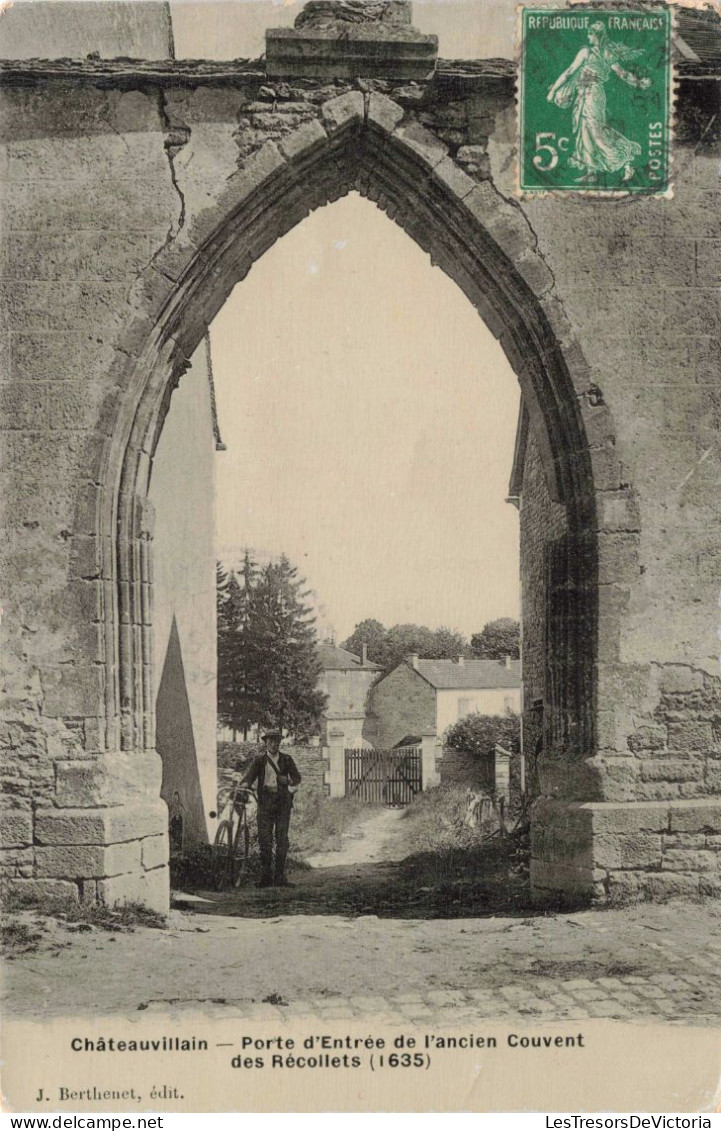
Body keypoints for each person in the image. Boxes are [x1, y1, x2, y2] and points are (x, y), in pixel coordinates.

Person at [547, 21, 651, 184]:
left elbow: (569, 72)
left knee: (595, 131)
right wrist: (638, 82)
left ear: (598, 36)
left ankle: (625, 162)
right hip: (586, 94)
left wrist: (553, 91)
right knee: (584, 131)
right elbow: (622, 74)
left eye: (590, 33)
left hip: (592, 95)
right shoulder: (606, 53)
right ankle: (592, 171)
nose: (588, 36)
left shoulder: (587, 52)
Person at [238, 729, 301, 888]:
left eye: (276, 740)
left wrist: (286, 780)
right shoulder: (259, 761)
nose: (273, 743)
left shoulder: (287, 760)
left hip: (282, 804)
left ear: (280, 742)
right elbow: (249, 777)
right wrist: (242, 786)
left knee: (281, 840)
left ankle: (279, 877)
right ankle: (266, 877)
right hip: (265, 804)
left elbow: (297, 779)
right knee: (264, 840)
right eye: (270, 740)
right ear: (265, 742)